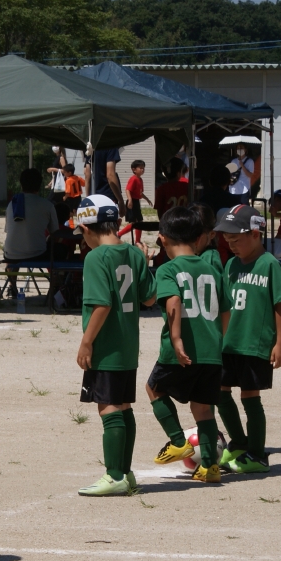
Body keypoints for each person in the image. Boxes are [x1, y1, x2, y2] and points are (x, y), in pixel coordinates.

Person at [74, 194, 156, 496]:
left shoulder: (95, 257)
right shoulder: (133, 253)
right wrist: (146, 262)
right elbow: (150, 298)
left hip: (106, 345)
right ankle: (126, 472)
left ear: (86, 229)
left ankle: (114, 475)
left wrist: (86, 342)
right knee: (124, 406)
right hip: (128, 344)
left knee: (108, 408)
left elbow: (102, 304)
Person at [146, 205, 230, 484]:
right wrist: (219, 340)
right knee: (203, 408)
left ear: (162, 239)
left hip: (180, 352)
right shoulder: (212, 269)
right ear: (198, 238)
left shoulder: (167, 269)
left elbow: (173, 302)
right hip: (212, 352)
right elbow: (226, 311)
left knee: (154, 388)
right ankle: (210, 467)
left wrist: (177, 339)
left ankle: (178, 441)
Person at [214, 204, 281, 474]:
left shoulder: (269, 265)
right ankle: (239, 442)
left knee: (250, 395)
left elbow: (280, 305)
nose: (231, 245)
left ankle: (257, 455)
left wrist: (280, 344)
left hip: (255, 344)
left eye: (236, 239)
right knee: (220, 391)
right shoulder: (231, 264)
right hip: (229, 342)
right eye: (227, 240)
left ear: (255, 234)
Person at [2, 168, 59, 281]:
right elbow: (55, 234)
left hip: (11, 255)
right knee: (59, 249)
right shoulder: (47, 205)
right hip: (37, 254)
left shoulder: (12, 203)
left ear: (21, 184)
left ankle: (12, 285)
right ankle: (57, 283)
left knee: (14, 248)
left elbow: (9, 230)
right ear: (39, 185)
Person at [84, 146, 126, 217]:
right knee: (110, 223)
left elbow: (87, 175)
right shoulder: (111, 147)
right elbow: (110, 175)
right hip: (108, 197)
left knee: (96, 223)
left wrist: (88, 199)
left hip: (93, 197)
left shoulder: (91, 148)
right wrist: (121, 201)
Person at [117, 160, 151, 242]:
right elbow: (128, 190)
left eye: (143, 168)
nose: (142, 170)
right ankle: (120, 234)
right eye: (140, 168)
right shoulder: (133, 179)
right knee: (135, 223)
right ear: (134, 169)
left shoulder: (140, 180)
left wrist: (147, 199)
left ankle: (137, 241)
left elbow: (140, 193)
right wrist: (130, 200)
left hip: (136, 202)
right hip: (132, 202)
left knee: (139, 222)